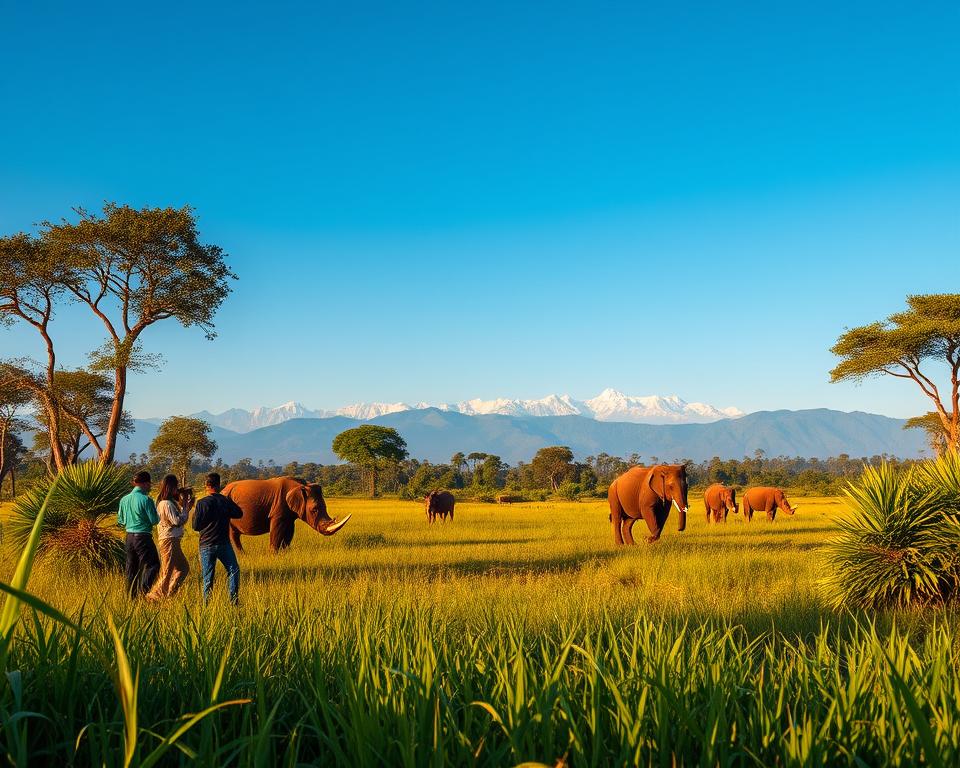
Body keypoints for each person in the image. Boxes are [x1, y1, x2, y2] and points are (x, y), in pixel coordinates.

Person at [192, 472, 243, 605]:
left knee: (208, 577)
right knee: (234, 570)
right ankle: (233, 601)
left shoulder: (201, 503)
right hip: (224, 544)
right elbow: (239, 513)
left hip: (206, 544)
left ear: (206, 485)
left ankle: (206, 604)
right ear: (219, 485)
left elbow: (195, 526)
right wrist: (227, 502)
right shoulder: (224, 501)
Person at [146, 474, 193, 600]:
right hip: (169, 540)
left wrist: (184, 505)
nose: (177, 489)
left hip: (172, 540)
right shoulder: (166, 503)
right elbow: (177, 521)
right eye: (176, 486)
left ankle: (168, 594)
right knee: (167, 571)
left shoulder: (166, 502)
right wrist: (185, 509)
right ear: (171, 487)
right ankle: (154, 597)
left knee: (182, 568)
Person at [117, 470, 161, 599]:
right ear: (145, 483)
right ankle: (143, 591)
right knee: (153, 565)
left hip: (129, 536)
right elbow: (154, 520)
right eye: (149, 484)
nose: (150, 486)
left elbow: (120, 520)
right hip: (143, 536)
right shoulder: (146, 499)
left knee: (131, 568)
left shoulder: (124, 499)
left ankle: (131, 597)